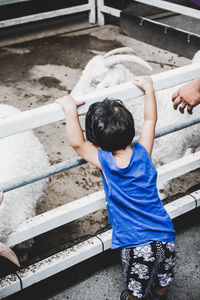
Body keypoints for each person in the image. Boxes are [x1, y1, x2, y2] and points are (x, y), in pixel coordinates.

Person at [55, 76, 176, 300]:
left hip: (135, 244)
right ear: (130, 130)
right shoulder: (143, 152)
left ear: (97, 143)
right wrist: (149, 89)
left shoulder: (106, 162)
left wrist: (70, 108)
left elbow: (76, 142)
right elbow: (150, 121)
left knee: (136, 290)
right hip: (165, 236)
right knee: (163, 281)